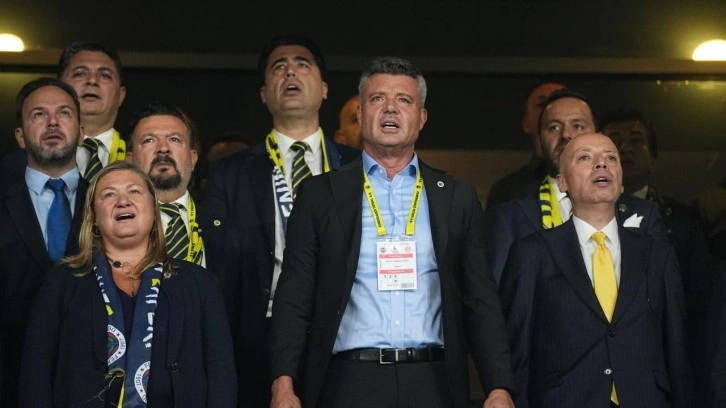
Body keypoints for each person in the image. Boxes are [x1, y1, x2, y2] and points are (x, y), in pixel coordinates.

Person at [269, 56, 515, 408]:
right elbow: (295, 295)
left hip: (433, 380)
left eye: (404, 100)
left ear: (422, 117)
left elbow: (480, 300)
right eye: (377, 98)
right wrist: (283, 382)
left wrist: (499, 385)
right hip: (349, 380)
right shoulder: (320, 195)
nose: (390, 109)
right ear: (360, 114)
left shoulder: (456, 196)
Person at [204, 34, 360, 408]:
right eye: (279, 67)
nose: (290, 71)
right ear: (263, 94)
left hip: (346, 331)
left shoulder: (359, 167)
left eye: (302, 64)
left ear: (324, 89)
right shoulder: (230, 174)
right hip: (259, 336)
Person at [499, 132, 695, 407]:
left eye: (610, 158)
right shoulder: (532, 253)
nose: (601, 164)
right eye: (584, 158)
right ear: (562, 182)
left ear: (621, 181)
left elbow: (678, 352)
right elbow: (516, 352)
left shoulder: (658, 255)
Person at [19, 161, 237, 407]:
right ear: (93, 217)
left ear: (154, 210)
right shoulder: (61, 283)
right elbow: (35, 375)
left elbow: (221, 373)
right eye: (109, 195)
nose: (123, 201)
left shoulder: (200, 284)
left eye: (134, 191)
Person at [485, 89, 667, 285]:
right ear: (539, 140)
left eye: (578, 126)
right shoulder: (510, 219)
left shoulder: (644, 214)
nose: (566, 135)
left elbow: (662, 291)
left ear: (599, 136)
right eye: (554, 127)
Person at [125, 100, 249, 383]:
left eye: (175, 140)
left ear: (193, 158)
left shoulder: (230, 237)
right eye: (149, 140)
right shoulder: (107, 232)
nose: (163, 149)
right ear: (129, 159)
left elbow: (244, 334)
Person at [599, 107, 713, 395]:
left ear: (654, 157)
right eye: (615, 140)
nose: (625, 148)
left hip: (662, 368)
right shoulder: (576, 216)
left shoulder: (682, 222)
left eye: (636, 140)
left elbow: (700, 303)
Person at [0, 77, 87, 407]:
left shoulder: (109, 202)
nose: (52, 122)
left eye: (64, 113)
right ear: (20, 136)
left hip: (93, 382)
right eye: (39, 114)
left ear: (81, 131)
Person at [1, 41, 126, 189]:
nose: (92, 81)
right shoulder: (6, 170)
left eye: (105, 75)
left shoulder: (140, 156)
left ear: (121, 95)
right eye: (80, 74)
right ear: (59, 86)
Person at [485, 82, 564, 210]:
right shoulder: (507, 190)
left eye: (559, 102)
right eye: (542, 104)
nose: (552, 109)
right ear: (526, 123)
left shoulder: (597, 179)